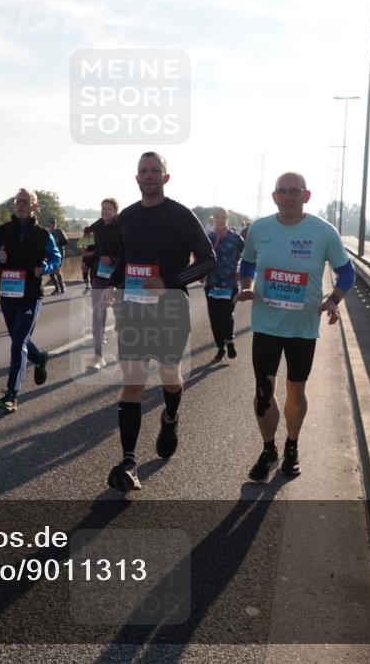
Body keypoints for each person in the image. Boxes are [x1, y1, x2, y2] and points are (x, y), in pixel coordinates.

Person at [103, 153, 216, 492]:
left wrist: (169, 281)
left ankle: (170, 417)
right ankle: (129, 461)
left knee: (169, 374)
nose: (149, 175)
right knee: (133, 381)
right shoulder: (127, 217)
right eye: (143, 171)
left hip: (171, 308)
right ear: (137, 178)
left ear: (165, 178)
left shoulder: (180, 215)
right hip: (134, 309)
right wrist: (113, 284)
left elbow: (208, 261)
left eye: (155, 171)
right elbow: (126, 257)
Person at [236, 172, 355, 479]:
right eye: (282, 191)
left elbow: (346, 272)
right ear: (274, 196)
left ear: (306, 195)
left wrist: (334, 300)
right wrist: (246, 285)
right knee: (264, 391)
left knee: (296, 390)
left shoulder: (323, 232)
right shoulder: (260, 229)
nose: (288, 197)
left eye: (294, 191)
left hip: (303, 327)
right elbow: (247, 262)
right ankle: (268, 450)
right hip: (266, 324)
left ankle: (292, 445)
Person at [0, 189, 63, 413]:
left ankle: (11, 394)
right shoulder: (1, 231)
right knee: (19, 339)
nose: (20, 205)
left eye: (25, 202)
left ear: (34, 206)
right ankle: (40, 359)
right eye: (18, 201)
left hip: (31, 296)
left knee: (18, 343)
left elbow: (57, 258)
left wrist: (44, 268)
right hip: (8, 296)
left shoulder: (43, 234)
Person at [204, 208, 245, 363]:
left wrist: (241, 271)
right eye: (217, 217)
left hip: (229, 284)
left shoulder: (236, 239)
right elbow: (201, 257)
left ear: (227, 218)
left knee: (226, 316)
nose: (220, 219)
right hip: (212, 285)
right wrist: (200, 274)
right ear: (213, 218)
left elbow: (249, 256)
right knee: (215, 319)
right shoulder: (208, 238)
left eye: (223, 217)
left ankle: (229, 340)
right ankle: (221, 348)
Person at [87, 198, 121, 370]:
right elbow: (89, 248)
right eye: (103, 208)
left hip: (119, 275)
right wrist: (86, 262)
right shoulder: (95, 227)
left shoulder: (122, 227)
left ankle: (123, 349)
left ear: (115, 211)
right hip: (100, 275)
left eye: (109, 209)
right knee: (98, 315)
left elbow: (127, 250)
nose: (105, 211)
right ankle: (98, 356)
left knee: (121, 315)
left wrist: (113, 259)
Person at [48, 217, 69, 295]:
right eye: (52, 223)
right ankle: (57, 288)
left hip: (59, 254)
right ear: (49, 224)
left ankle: (61, 287)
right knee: (51, 273)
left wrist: (57, 242)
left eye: (54, 223)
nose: (53, 224)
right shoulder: (48, 233)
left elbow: (66, 241)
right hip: (51, 255)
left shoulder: (60, 231)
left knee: (57, 271)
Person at [79, 225, 96, 294]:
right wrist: (85, 254)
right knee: (84, 268)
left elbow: (97, 251)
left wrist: (90, 253)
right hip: (86, 258)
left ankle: (93, 287)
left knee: (93, 273)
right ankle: (87, 284)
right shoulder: (84, 240)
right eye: (86, 233)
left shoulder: (95, 239)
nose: (88, 234)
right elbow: (84, 251)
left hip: (94, 257)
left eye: (89, 232)